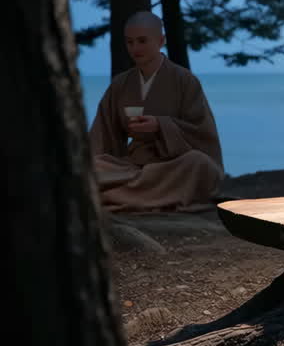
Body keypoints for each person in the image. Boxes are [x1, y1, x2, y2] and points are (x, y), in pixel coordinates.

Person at [89, 11, 225, 212]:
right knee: (92, 165)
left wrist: (161, 126)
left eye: (142, 41)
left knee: (199, 164)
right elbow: (102, 134)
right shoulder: (121, 84)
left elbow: (202, 133)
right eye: (130, 42)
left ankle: (116, 194)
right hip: (133, 165)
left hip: (172, 165)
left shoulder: (185, 80)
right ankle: (142, 194)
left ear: (161, 41)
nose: (135, 48)